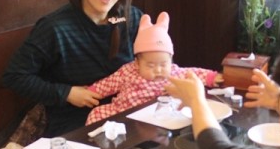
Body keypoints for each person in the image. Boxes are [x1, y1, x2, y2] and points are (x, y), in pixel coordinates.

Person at [0, 0, 142, 138]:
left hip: (128, 114)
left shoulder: (133, 18)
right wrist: (66, 93)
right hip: (74, 124)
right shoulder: (55, 28)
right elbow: (15, 76)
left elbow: (154, 64)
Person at [85, 11, 223, 125]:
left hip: (159, 117)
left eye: (163, 64)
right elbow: (109, 82)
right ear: (137, 63)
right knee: (96, 113)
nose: (158, 70)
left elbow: (193, 73)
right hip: (123, 114)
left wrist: (212, 77)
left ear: (170, 60)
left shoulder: (174, 73)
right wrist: (91, 91)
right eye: (150, 65)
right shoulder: (128, 71)